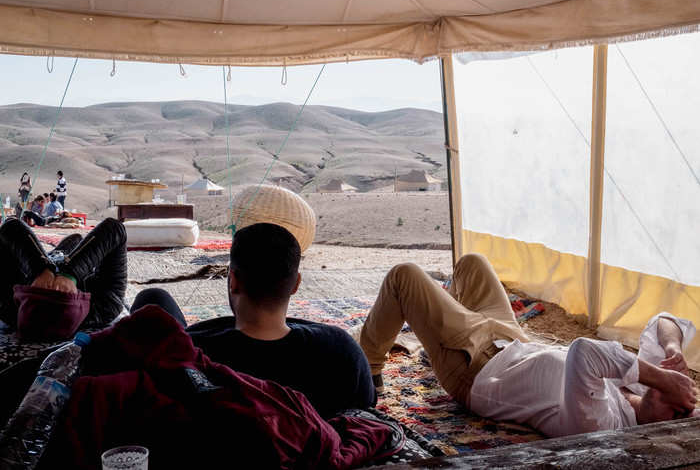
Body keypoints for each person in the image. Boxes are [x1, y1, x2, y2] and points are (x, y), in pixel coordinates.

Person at [360, 254, 698, 437]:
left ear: (660, 430)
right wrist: (673, 353)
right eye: (686, 401)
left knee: (404, 277)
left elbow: (585, 352)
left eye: (679, 412)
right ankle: (437, 323)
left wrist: (663, 379)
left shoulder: (602, 426)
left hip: (474, 366)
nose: (677, 400)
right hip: (512, 340)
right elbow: (665, 321)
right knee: (472, 265)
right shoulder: (644, 383)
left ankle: (368, 365)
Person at [131, 222, 376, 419]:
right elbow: (366, 408)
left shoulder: (188, 353)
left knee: (153, 299)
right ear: (296, 284)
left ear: (233, 281)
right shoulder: (342, 350)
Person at [0, 217, 127, 330]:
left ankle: (54, 259)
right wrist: (71, 273)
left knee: (73, 241)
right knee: (76, 239)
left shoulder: (9, 308)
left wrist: (39, 270)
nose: (54, 287)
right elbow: (114, 228)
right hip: (67, 260)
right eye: (60, 291)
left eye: (42, 289)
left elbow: (11, 225)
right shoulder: (105, 307)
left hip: (50, 259)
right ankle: (61, 259)